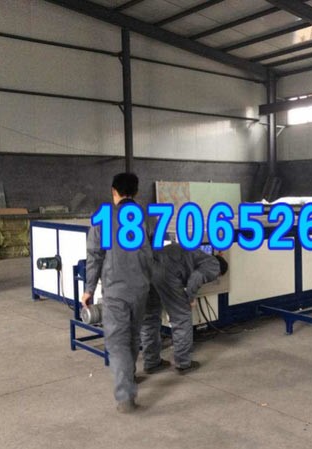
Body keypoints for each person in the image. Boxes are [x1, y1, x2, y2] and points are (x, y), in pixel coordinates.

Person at [81, 172, 154, 414]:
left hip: (116, 290)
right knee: (133, 336)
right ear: (136, 192)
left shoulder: (103, 218)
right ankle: (129, 377)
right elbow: (150, 254)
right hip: (140, 289)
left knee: (117, 341)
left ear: (114, 192)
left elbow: (94, 257)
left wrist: (88, 289)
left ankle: (126, 397)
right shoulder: (146, 218)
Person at [141, 244, 228, 375]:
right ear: (220, 272)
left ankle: (151, 362)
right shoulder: (214, 265)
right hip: (167, 273)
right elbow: (196, 278)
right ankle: (183, 363)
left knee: (150, 317)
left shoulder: (199, 255)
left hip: (147, 268)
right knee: (181, 318)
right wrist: (191, 298)